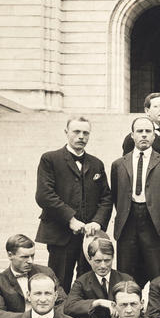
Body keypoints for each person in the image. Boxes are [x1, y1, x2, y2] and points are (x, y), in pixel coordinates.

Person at [35, 115, 112, 293]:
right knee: (59, 284)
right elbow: (44, 195)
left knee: (88, 284)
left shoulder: (96, 164)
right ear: (66, 133)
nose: (81, 136)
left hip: (89, 237)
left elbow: (106, 197)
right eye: (76, 132)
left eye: (85, 133)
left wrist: (97, 222)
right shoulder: (50, 159)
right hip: (61, 234)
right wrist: (70, 219)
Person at [110, 116, 160, 286]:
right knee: (126, 273)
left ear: (154, 136)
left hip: (155, 224)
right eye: (140, 131)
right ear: (132, 135)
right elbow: (116, 196)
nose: (144, 135)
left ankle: (156, 310)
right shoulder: (118, 164)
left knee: (158, 272)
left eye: (148, 131)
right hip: (128, 221)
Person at [63, 237, 134, 318]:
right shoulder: (82, 281)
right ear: (89, 259)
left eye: (107, 260)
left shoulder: (125, 279)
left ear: (113, 258)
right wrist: (98, 302)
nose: (103, 265)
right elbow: (69, 306)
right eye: (98, 261)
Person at [0, 234, 65, 318]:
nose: (30, 261)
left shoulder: (46, 273)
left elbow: (62, 301)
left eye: (32, 256)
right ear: (10, 255)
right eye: (24, 257)